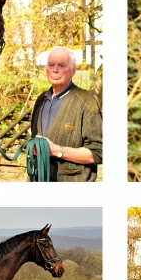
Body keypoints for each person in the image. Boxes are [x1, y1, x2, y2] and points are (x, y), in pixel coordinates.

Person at [30, 46, 102, 182]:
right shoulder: (41, 100)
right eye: (51, 65)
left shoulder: (86, 102)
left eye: (61, 65)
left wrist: (58, 151)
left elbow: (99, 152)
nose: (55, 70)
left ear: (73, 70)